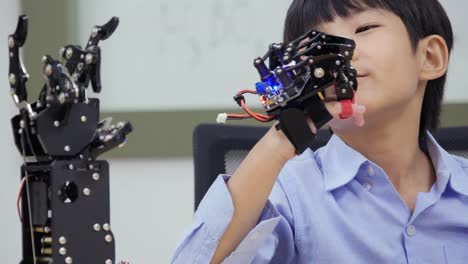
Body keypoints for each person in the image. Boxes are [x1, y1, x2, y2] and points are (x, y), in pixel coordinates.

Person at [171, 0, 468, 263]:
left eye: (364, 28)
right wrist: (283, 138)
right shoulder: (286, 193)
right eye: (315, 44)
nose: (337, 53)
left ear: (429, 57)